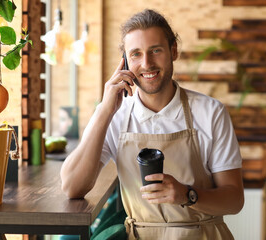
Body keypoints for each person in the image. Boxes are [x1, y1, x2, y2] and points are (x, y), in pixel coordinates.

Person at [60, 9, 244, 239]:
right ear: (125, 62)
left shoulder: (211, 112)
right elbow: (72, 186)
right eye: (136, 54)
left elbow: (234, 200)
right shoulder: (116, 115)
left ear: (173, 51)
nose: (147, 63)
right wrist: (104, 110)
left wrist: (187, 195)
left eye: (155, 51)